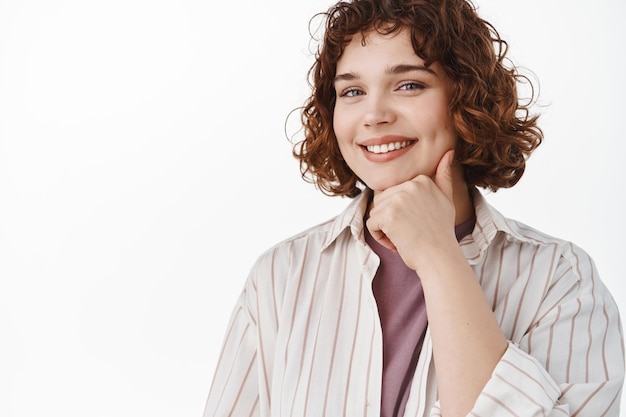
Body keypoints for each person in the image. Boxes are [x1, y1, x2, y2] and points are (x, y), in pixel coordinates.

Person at [202, 0, 624, 416]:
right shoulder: (279, 277)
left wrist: (440, 256)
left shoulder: (558, 278)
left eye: (409, 85)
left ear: (467, 97)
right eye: (352, 91)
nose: (374, 115)